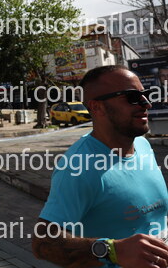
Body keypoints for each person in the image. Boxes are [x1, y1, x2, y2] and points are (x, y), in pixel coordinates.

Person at [32, 65, 168, 267]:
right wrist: (111, 250)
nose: (146, 104)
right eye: (132, 97)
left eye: (145, 95)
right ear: (97, 107)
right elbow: (42, 243)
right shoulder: (77, 167)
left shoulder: (142, 145)